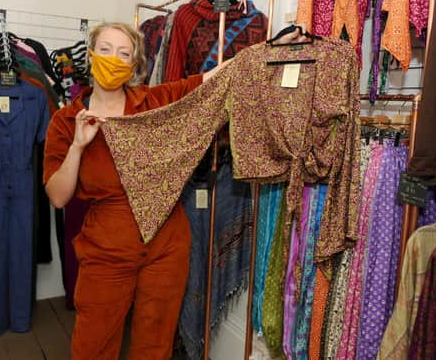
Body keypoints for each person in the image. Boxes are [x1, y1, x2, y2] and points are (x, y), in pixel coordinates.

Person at [43, 21, 306, 359]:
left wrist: (268, 48)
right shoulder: (66, 121)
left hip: (166, 243)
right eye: (105, 49)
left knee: (156, 343)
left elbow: (212, 81)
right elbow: (58, 196)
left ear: (135, 65)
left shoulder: (156, 103)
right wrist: (78, 146)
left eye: (124, 54)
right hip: (106, 247)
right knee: (93, 343)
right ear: (91, 54)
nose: (113, 59)